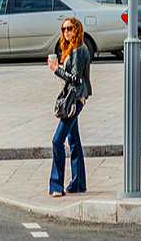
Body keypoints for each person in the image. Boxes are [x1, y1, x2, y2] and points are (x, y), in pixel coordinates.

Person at [48, 17, 91, 197]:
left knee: (57, 141)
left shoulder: (79, 50)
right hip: (75, 98)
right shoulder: (73, 49)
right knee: (73, 141)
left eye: (70, 28)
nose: (66, 32)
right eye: (64, 29)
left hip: (74, 101)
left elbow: (76, 78)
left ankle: (57, 186)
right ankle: (78, 184)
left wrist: (56, 69)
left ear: (77, 29)